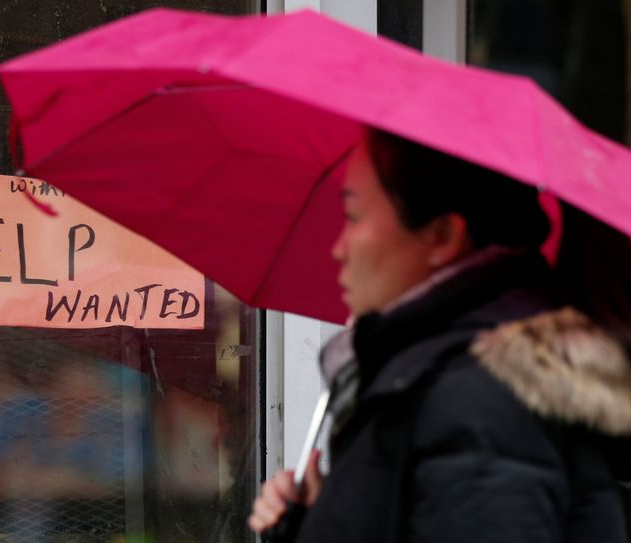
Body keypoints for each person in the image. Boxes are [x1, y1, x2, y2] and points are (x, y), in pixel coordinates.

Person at [248, 128, 631, 542]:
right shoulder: (432, 376)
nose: (338, 248)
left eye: (354, 217)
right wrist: (311, 522)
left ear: (443, 236)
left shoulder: (480, 399)